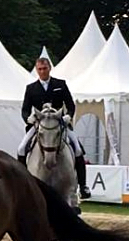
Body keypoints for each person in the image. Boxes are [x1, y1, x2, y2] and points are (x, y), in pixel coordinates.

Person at [17, 58, 91, 199]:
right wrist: (28, 119)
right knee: (21, 148)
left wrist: (69, 115)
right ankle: (22, 184)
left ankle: (83, 186)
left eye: (44, 69)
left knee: (77, 149)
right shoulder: (31, 88)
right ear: (36, 70)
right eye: (39, 69)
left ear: (49, 68)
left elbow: (70, 105)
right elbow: (25, 109)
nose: (42, 72)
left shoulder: (60, 84)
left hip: (59, 124)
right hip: (40, 125)